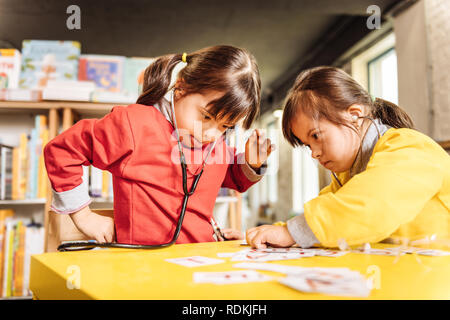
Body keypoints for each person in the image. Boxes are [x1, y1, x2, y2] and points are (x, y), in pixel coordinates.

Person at [44, 45, 275, 245]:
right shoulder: (134, 123)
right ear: (182, 87)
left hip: (199, 262)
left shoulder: (215, 143)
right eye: (206, 116)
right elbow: (62, 151)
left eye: (226, 126)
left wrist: (253, 164)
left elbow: (231, 177)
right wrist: (83, 216)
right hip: (144, 266)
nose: (212, 134)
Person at [246, 66, 450, 249]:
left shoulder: (410, 148)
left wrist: (290, 233)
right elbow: (330, 212)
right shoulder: (349, 175)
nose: (314, 153)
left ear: (354, 115)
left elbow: (370, 205)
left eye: (316, 136)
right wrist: (272, 234)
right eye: (308, 145)